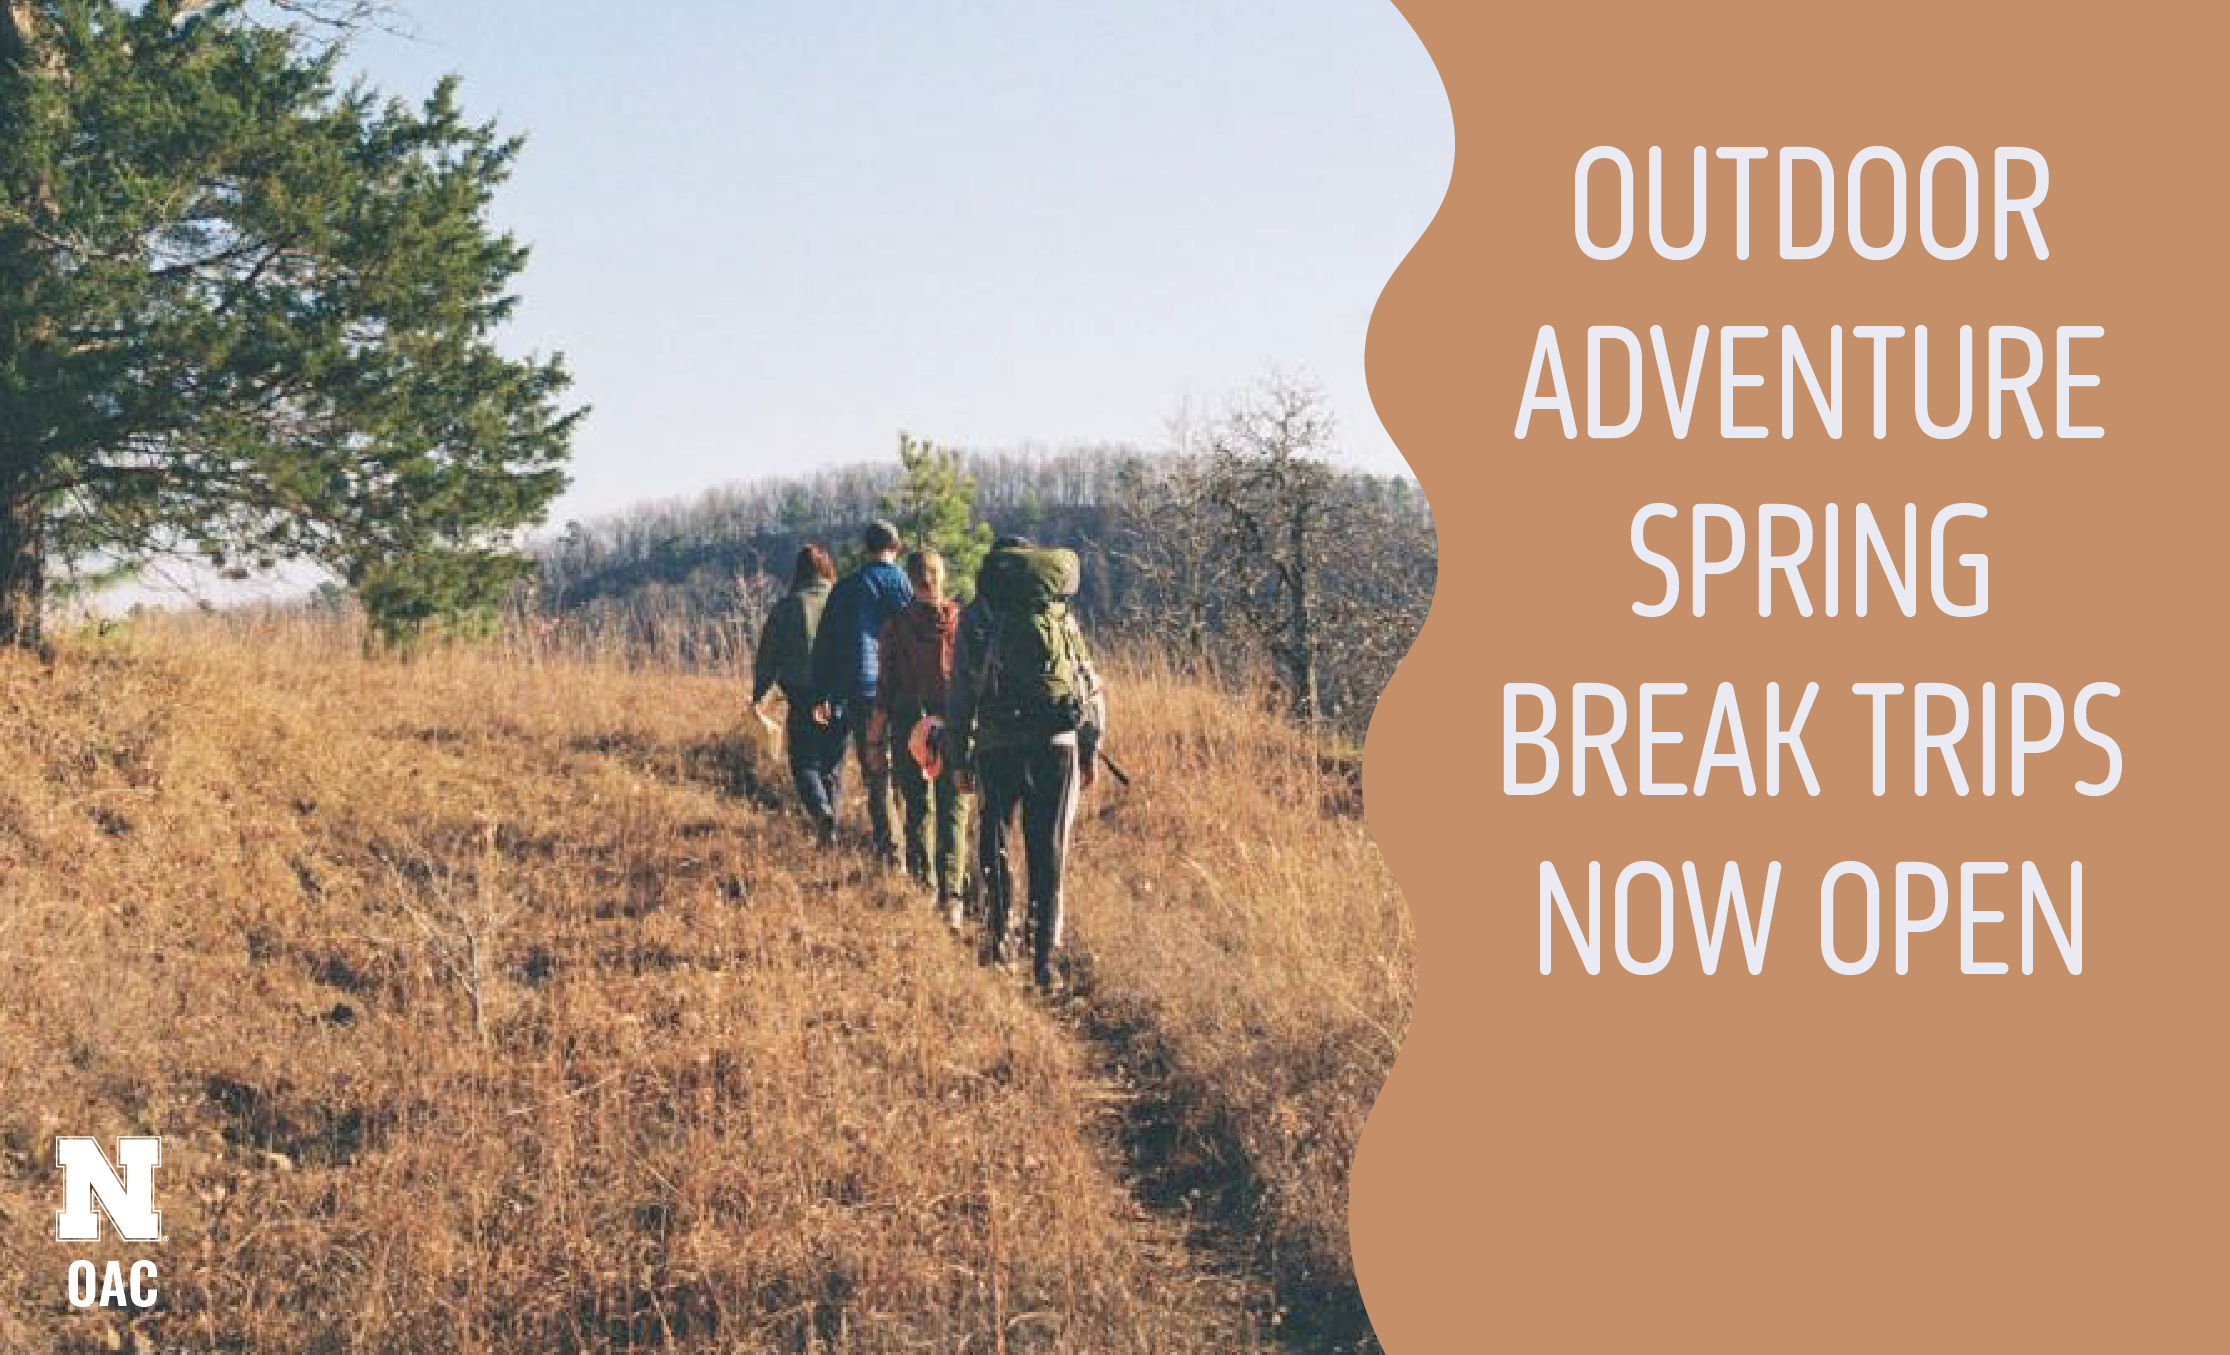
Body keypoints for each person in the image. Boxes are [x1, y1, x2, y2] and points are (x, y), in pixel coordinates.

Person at [947, 541, 1107, 992]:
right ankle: (1042, 962)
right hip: (1055, 744)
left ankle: (999, 941)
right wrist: (1090, 749)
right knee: (1047, 848)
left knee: (994, 838)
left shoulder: (978, 618)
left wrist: (959, 757)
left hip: (997, 744)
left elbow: (959, 692)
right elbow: (1086, 686)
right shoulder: (1058, 615)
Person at [875, 549, 973, 927]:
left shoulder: (895, 626)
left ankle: (924, 885)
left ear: (910, 580)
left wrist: (874, 734)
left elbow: (886, 686)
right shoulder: (960, 623)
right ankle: (953, 897)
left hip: (908, 723)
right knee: (954, 809)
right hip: (954, 724)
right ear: (941, 577)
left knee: (918, 808)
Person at [808, 519, 913, 860]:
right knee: (906, 770)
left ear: (866, 549)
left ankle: (890, 850)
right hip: (904, 692)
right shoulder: (905, 585)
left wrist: (822, 694)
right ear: (895, 549)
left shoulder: (846, 588)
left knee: (876, 770)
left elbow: (825, 645)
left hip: (860, 691)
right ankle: (911, 847)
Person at [751, 545, 842, 843]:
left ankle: (820, 812)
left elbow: (768, 657)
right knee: (832, 764)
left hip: (802, 695)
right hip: (839, 695)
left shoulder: (787, 607)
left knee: (804, 762)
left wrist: (758, 694)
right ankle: (831, 827)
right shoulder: (841, 602)